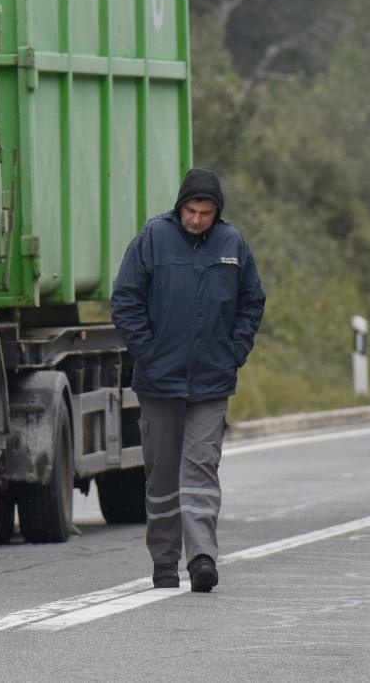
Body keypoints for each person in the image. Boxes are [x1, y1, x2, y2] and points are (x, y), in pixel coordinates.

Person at [112, 167, 266, 594]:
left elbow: (252, 302)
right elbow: (125, 300)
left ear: (217, 212)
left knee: (201, 467)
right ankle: (165, 561)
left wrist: (234, 352)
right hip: (158, 382)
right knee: (162, 477)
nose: (197, 219)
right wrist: (148, 352)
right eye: (191, 211)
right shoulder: (152, 239)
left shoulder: (233, 244)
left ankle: (202, 558)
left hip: (211, 382)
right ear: (180, 207)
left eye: (205, 212)